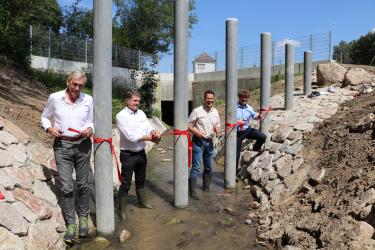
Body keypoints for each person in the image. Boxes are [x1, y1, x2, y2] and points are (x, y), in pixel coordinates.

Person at [41, 71, 94, 243]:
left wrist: (90, 129)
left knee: (83, 184)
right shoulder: (55, 98)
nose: (77, 88)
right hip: (62, 145)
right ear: (68, 81)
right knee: (66, 186)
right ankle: (71, 224)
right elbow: (45, 117)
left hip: (83, 145)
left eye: (80, 85)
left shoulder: (88, 99)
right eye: (74, 84)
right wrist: (49, 128)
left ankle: (84, 219)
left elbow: (91, 121)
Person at [116, 90, 161, 220]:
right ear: (127, 101)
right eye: (135, 101)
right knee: (126, 183)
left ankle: (143, 202)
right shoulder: (121, 116)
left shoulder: (141, 113)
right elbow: (131, 137)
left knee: (141, 180)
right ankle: (121, 211)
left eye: (138, 101)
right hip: (128, 154)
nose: (137, 103)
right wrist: (150, 138)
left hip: (141, 153)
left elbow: (148, 127)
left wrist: (155, 131)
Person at [188, 90, 221, 200]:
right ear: (204, 98)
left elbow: (218, 125)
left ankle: (206, 190)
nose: (210, 100)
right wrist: (198, 134)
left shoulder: (215, 111)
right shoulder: (196, 111)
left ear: (214, 99)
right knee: (196, 168)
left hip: (210, 142)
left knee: (209, 168)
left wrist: (217, 129)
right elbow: (189, 126)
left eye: (211, 99)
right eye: (208, 98)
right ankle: (192, 193)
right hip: (198, 141)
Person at [236, 89, 267, 173]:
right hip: (237, 133)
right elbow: (229, 120)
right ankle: (233, 174)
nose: (244, 99)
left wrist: (260, 115)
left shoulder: (249, 108)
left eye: (246, 98)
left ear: (248, 98)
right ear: (239, 98)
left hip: (247, 130)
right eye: (242, 97)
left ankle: (256, 148)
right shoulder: (234, 107)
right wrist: (237, 122)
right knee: (236, 154)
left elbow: (255, 116)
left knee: (262, 136)